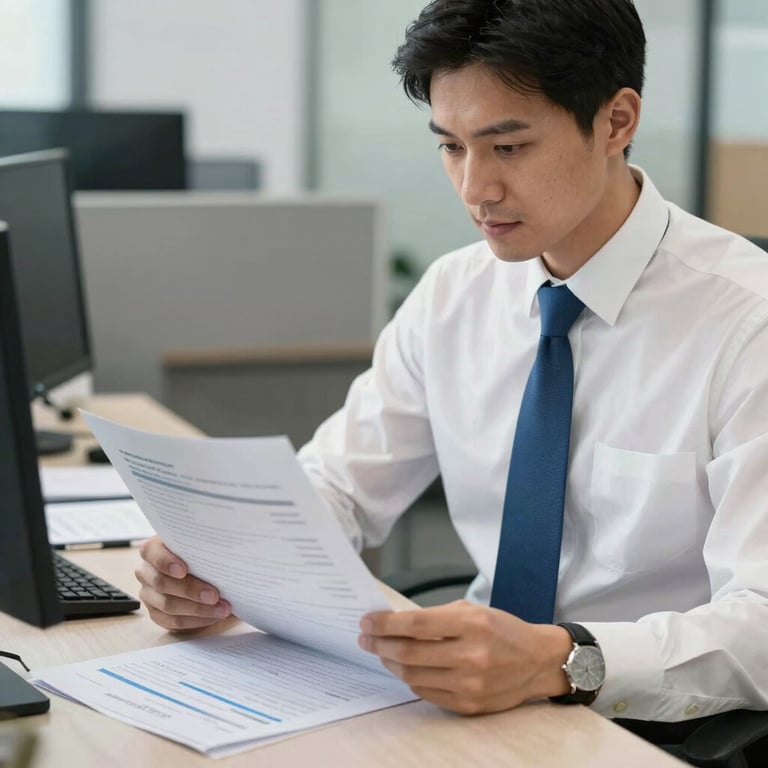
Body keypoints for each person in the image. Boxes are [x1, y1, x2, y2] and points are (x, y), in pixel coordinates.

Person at [137, 0, 768, 725]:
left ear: (616, 121)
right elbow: (339, 486)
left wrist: (561, 659)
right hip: (469, 704)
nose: (476, 190)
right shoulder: (454, 293)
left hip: (652, 721)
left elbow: (762, 624)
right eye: (451, 146)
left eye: (509, 147)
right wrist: (219, 567)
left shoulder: (747, 324)